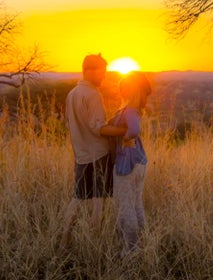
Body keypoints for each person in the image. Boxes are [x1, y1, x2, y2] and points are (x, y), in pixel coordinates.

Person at [60, 54, 127, 249]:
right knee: (99, 200)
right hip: (99, 155)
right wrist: (124, 131)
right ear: (89, 70)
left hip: (81, 155)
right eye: (102, 72)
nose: (104, 77)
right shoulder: (93, 95)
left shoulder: (72, 94)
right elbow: (98, 127)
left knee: (78, 198)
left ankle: (65, 241)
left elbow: (68, 123)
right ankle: (95, 246)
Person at [111, 71, 151, 256]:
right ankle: (143, 244)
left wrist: (125, 137)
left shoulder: (130, 111)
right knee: (136, 204)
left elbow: (134, 130)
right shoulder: (134, 110)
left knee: (126, 206)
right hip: (139, 162)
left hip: (126, 164)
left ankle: (131, 249)